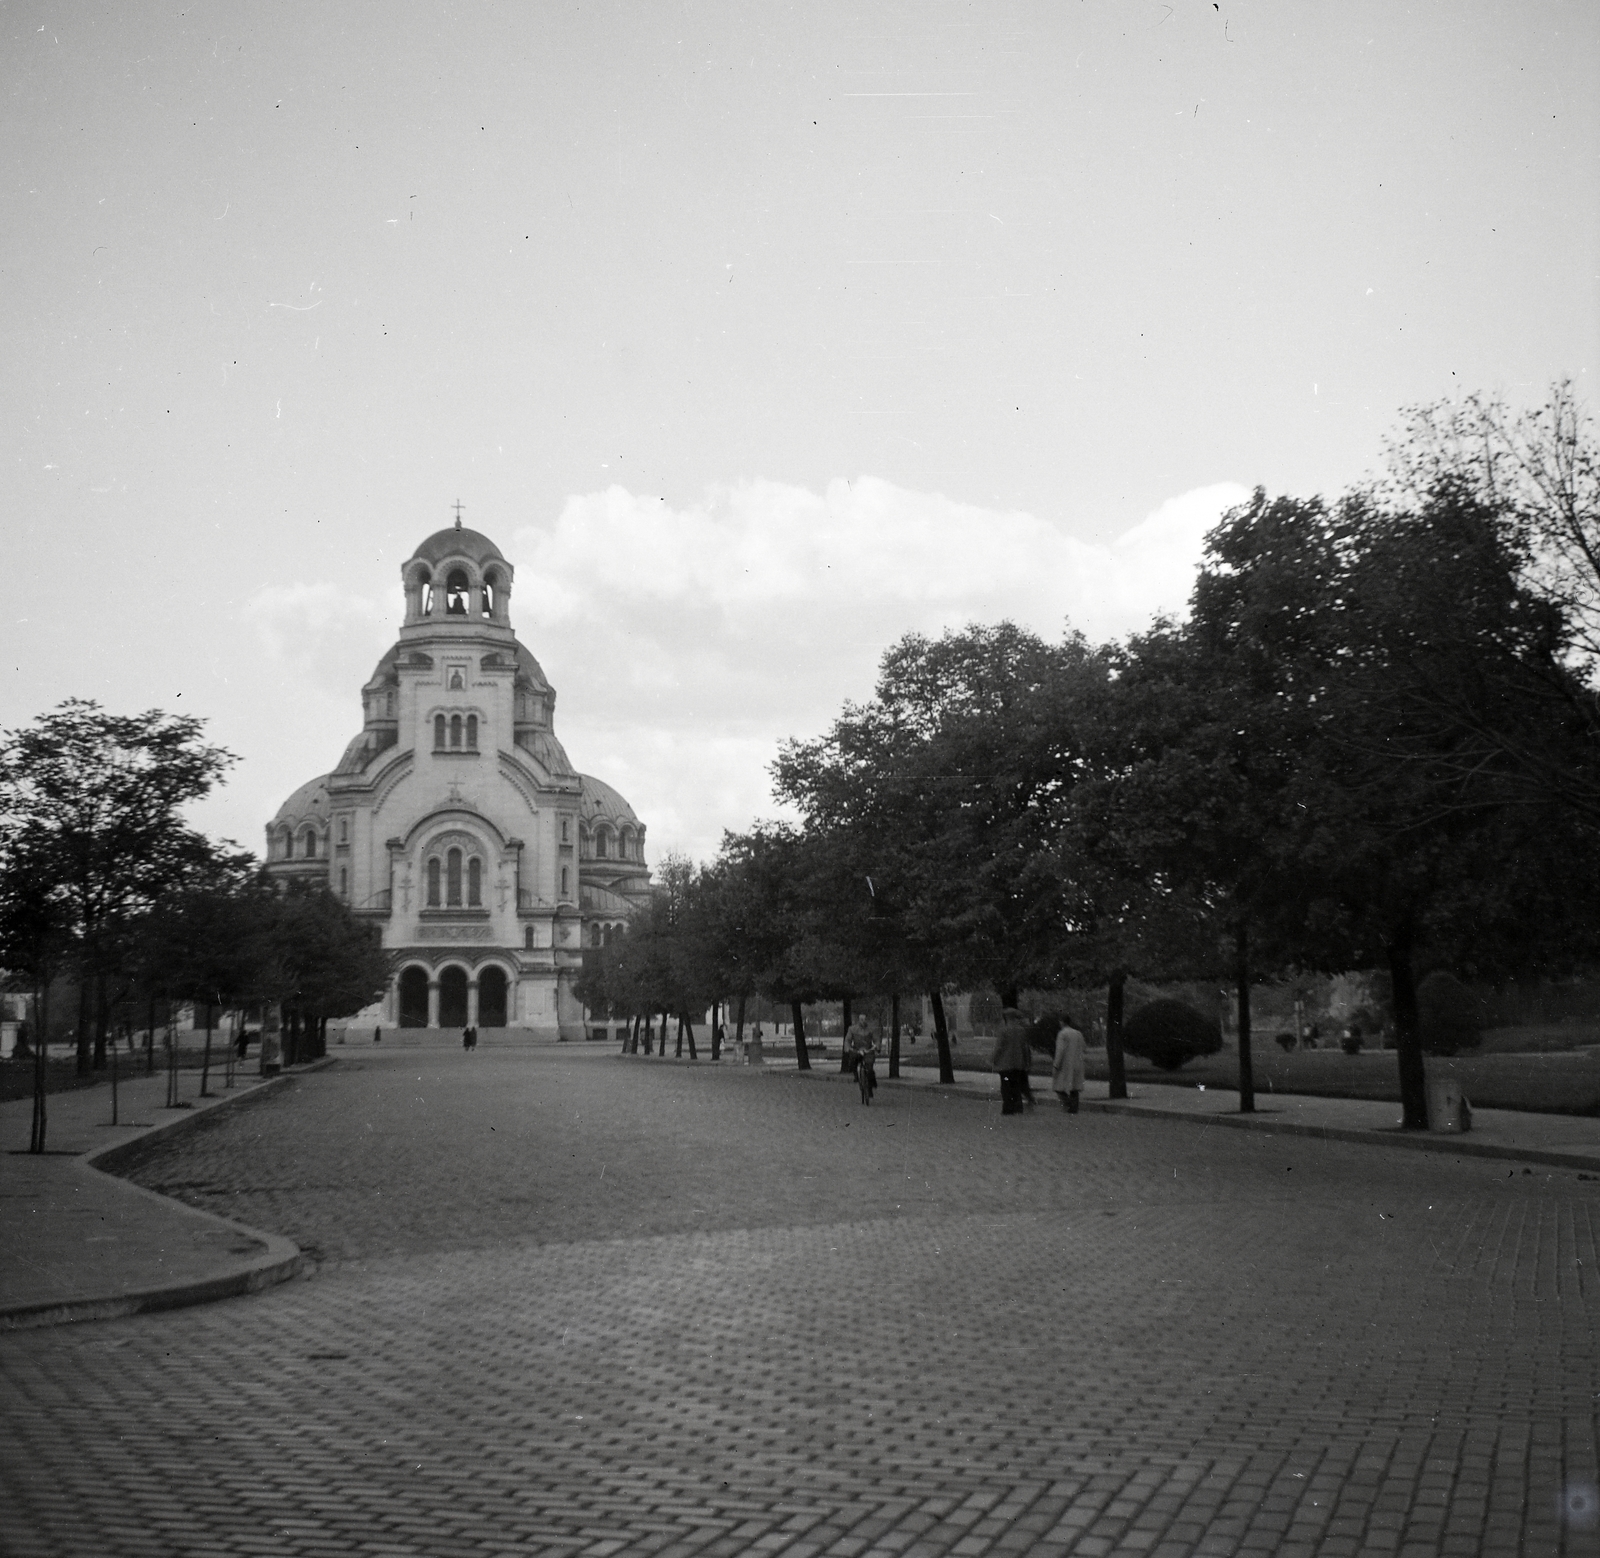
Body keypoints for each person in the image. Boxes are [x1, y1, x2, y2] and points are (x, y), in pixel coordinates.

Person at [990, 1007, 1032, 1116]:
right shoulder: (1021, 1030)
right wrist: (1027, 1062)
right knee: (1016, 1086)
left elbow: (999, 1047)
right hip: (1018, 1064)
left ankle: (1008, 1108)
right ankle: (1018, 1107)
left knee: (1006, 1086)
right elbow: (1025, 1048)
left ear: (1006, 1018)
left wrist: (993, 1059)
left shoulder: (1003, 1030)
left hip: (1005, 1064)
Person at [1052, 1012, 1086, 1114]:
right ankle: (1074, 1107)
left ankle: (1068, 1104)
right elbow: (1084, 1047)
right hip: (1077, 1063)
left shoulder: (1062, 1034)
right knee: (1074, 1087)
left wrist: (1056, 1065)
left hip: (1065, 1064)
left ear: (1061, 1022)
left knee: (1059, 1087)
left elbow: (1060, 1051)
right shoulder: (1078, 1033)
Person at [844, 1016, 878, 1101]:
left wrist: (876, 1046)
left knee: (870, 1068)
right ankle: (856, 1076)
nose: (863, 1021)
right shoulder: (852, 1029)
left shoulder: (871, 1029)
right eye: (862, 1019)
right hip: (857, 1050)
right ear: (858, 1020)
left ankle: (870, 1087)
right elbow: (848, 1040)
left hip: (868, 1051)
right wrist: (848, 1048)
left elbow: (876, 1040)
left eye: (865, 1019)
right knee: (852, 1061)